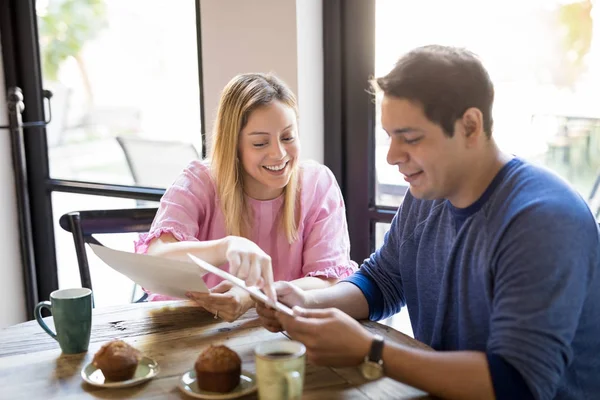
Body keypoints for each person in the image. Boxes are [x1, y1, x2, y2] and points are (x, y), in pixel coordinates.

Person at [256, 45, 600, 400]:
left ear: (470, 125)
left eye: (411, 138)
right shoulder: (429, 193)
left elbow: (518, 384)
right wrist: (309, 303)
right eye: (390, 136)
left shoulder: (542, 221)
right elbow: (383, 280)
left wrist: (371, 350)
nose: (392, 157)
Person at [135, 73, 357, 322]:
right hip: (194, 328)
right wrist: (225, 246)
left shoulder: (317, 184)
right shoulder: (199, 181)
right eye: (261, 143)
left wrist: (256, 294)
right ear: (235, 147)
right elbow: (156, 260)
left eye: (288, 137)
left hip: (281, 332)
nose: (279, 153)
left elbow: (328, 282)